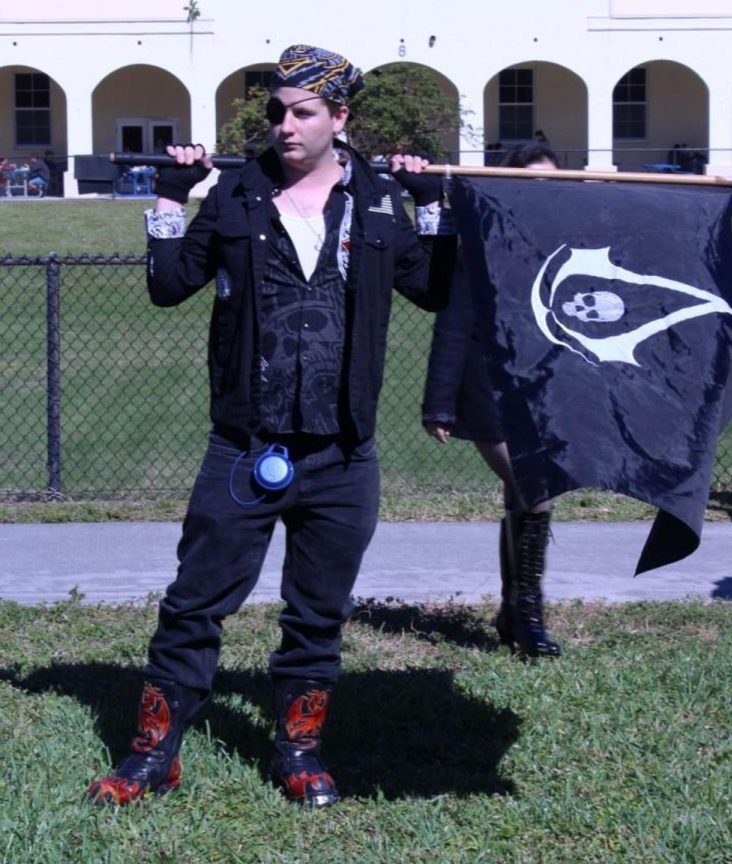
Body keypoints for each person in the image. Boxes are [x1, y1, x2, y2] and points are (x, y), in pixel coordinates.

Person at [87, 44, 456, 809]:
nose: (285, 127)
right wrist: (170, 197)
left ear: (339, 118)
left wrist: (433, 201)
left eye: (303, 113)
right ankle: (154, 753)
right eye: (277, 113)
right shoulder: (236, 195)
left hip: (343, 452)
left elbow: (435, 289)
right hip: (244, 445)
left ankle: (299, 751)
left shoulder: (382, 199)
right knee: (194, 604)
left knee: (318, 614)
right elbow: (167, 286)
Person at [421, 141, 561, 660]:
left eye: (553, 181)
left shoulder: (563, 241)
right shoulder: (483, 241)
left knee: (520, 499)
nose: (542, 192)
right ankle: (528, 615)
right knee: (535, 489)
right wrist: (438, 402)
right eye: (531, 181)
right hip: (486, 389)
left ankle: (510, 610)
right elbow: (455, 323)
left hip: (542, 389)